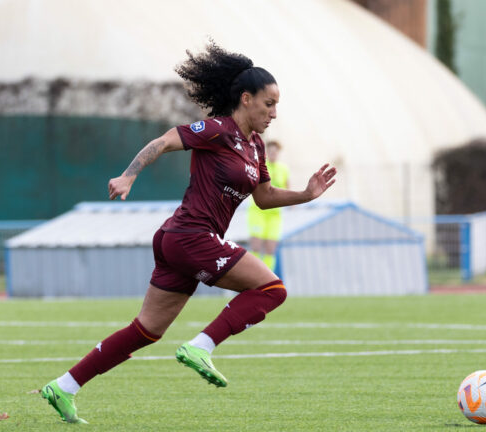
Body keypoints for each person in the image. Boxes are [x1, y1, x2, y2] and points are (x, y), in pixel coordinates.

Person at [40, 41, 337, 424]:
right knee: (272, 289)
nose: (274, 113)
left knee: (146, 331)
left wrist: (305, 194)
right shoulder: (216, 130)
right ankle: (202, 346)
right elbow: (164, 141)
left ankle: (64, 386)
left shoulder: (256, 147)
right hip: (190, 236)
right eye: (269, 104)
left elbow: (263, 197)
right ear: (246, 99)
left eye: (277, 105)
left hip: (182, 241)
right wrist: (129, 175)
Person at [247, 140, 289, 271]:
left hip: (275, 215)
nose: (273, 154)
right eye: (270, 151)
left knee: (271, 249)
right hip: (258, 212)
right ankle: (252, 275)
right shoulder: (259, 165)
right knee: (256, 246)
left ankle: (266, 279)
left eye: (275, 152)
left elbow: (287, 188)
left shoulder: (283, 169)